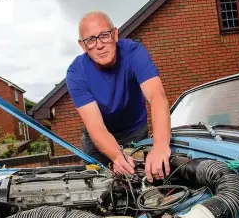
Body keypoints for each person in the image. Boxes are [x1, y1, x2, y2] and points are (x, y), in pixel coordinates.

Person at [65, 11, 171, 182]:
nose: (99, 45)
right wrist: (116, 156)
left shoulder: (134, 53)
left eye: (104, 36)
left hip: (134, 133)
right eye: (91, 40)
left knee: (142, 182)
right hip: (96, 144)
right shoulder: (76, 73)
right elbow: (96, 127)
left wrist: (160, 145)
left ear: (115, 34)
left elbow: (157, 97)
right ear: (83, 46)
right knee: (100, 190)